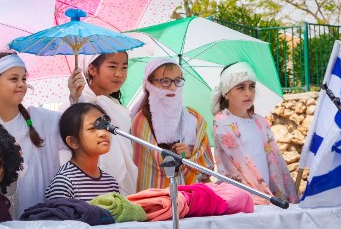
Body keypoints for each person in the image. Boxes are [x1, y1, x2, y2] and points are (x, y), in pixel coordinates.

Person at [0, 51, 70, 214]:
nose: (22, 84)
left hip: (45, 218)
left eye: (24, 79)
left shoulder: (41, 119)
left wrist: (76, 98)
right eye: (14, 79)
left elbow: (76, 130)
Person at [211, 62, 298, 203]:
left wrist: (281, 193)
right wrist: (262, 196)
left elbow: (275, 160)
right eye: (240, 87)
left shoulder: (260, 122)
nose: (248, 93)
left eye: (252, 86)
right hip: (242, 198)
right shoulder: (223, 122)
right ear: (226, 93)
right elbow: (239, 166)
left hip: (269, 195)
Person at [130, 57, 214, 190]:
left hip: (191, 198)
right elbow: (144, 164)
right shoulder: (140, 121)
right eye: (165, 81)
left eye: (178, 81)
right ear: (149, 84)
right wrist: (177, 159)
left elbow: (207, 165)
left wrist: (189, 155)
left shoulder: (195, 118)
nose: (173, 87)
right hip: (153, 197)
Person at [68, 52, 138, 194]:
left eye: (124, 67)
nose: (119, 74)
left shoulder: (117, 106)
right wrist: (76, 98)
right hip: (90, 185)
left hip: (123, 183)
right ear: (92, 70)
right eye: (112, 66)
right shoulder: (78, 101)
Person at [45, 102, 121, 201]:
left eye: (105, 126)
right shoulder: (64, 183)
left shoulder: (111, 183)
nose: (103, 133)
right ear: (73, 142)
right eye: (92, 128)